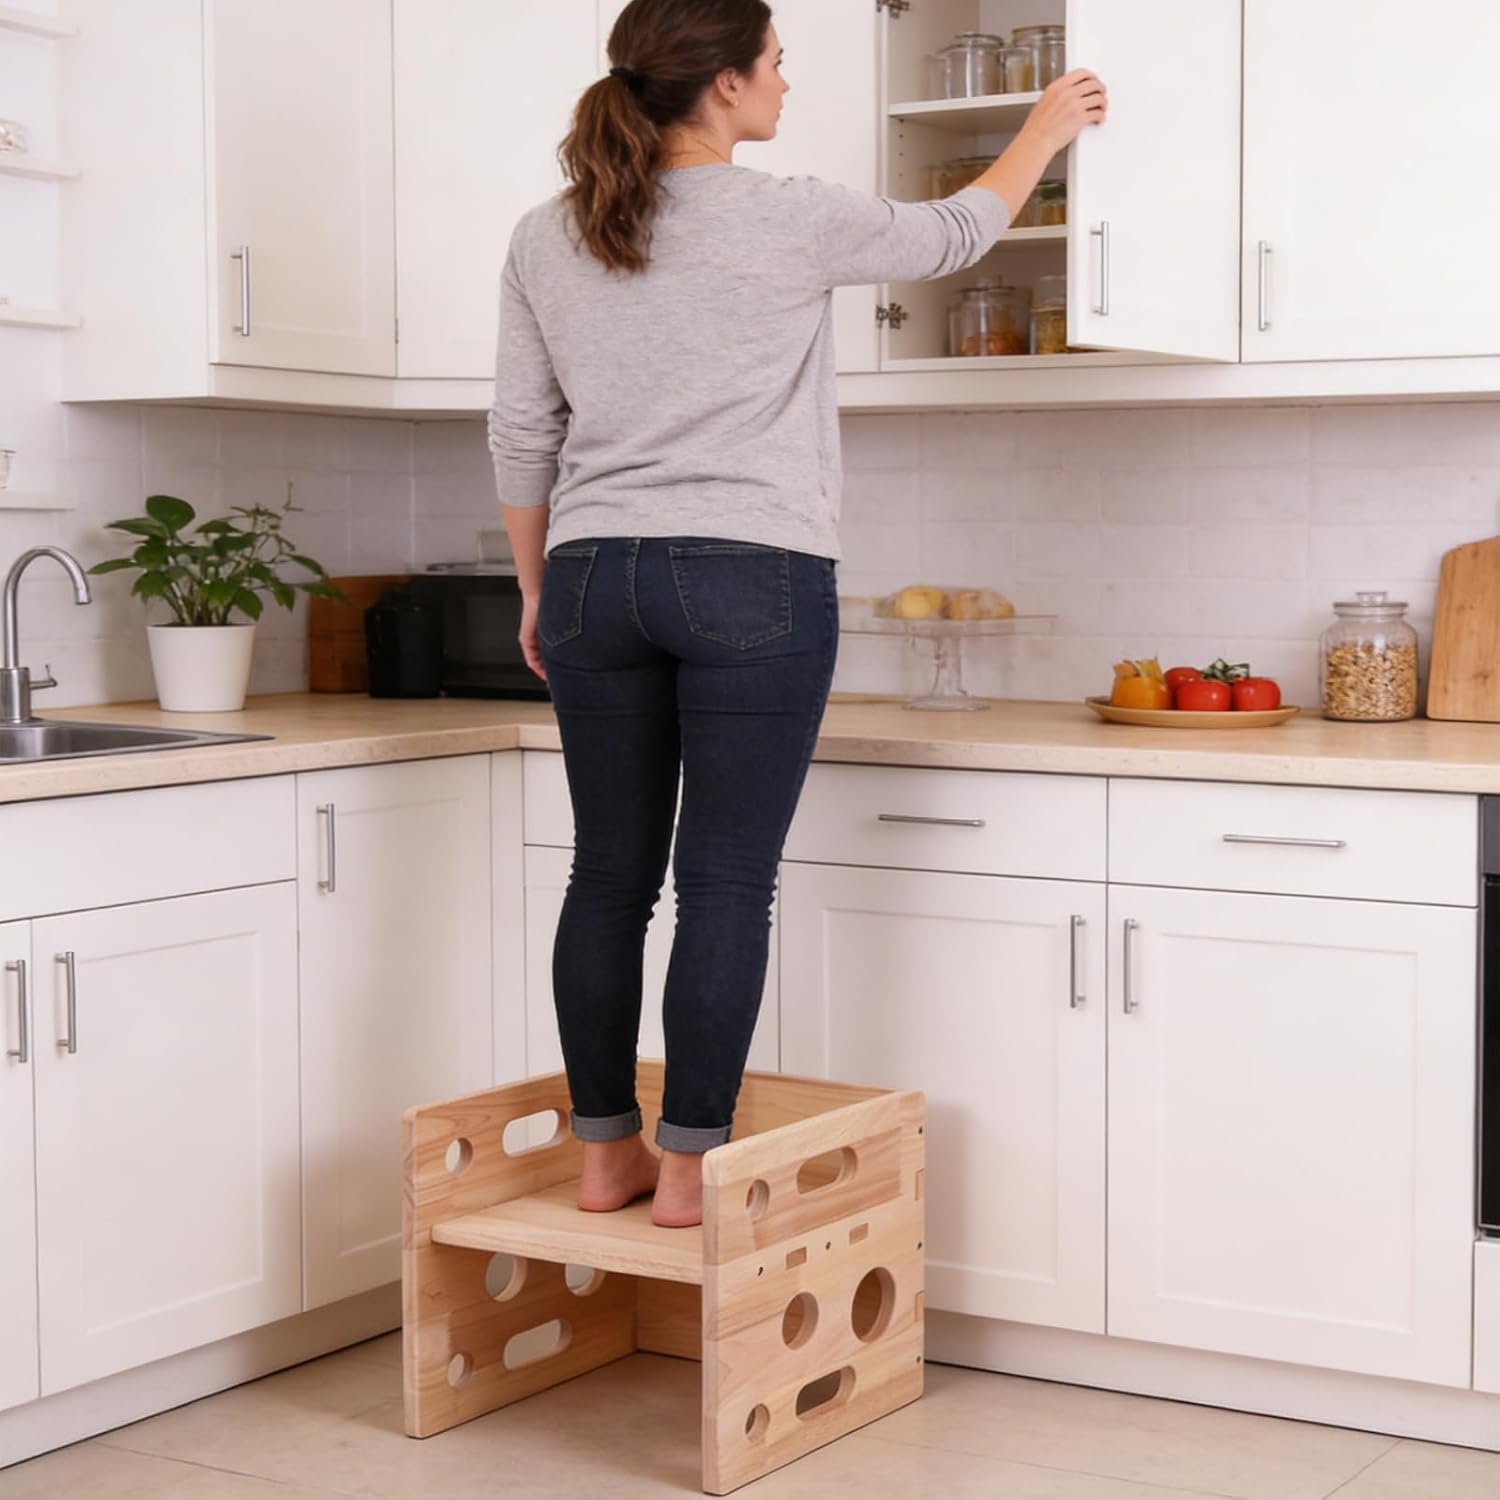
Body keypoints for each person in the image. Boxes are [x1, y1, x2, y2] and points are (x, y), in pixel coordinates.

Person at [489, 0, 1107, 1228]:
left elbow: (520, 431)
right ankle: (687, 1172)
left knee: (606, 876)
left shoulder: (547, 232)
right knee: (724, 883)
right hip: (750, 572)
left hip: (593, 576)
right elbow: (955, 233)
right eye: (775, 62)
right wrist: (1044, 130)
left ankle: (605, 1155)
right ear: (722, 83)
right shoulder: (786, 212)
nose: (785, 82)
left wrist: (536, 589)